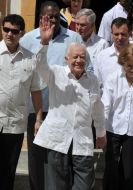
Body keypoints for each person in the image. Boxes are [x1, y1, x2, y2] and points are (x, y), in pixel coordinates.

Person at [20, 1, 90, 190]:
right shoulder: (28, 38)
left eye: (54, 15)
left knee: (61, 162)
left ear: (59, 16)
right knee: (36, 159)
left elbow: (86, 68)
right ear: (40, 17)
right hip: (36, 109)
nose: (50, 19)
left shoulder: (73, 37)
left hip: (63, 110)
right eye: (46, 16)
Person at [33, 15, 106, 190]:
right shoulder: (56, 73)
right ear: (67, 59)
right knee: (56, 186)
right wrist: (44, 43)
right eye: (75, 57)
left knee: (84, 186)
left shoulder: (93, 81)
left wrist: (101, 132)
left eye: (82, 57)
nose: (79, 60)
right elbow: (39, 66)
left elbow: (97, 108)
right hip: (59, 140)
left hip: (83, 142)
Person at [0, 14, 44, 190]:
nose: (9, 34)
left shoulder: (30, 58)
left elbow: (36, 91)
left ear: (22, 33)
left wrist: (39, 119)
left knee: (8, 171)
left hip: (15, 124)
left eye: (14, 31)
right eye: (6, 29)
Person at [102, 43, 133, 190]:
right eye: (129, 65)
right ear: (123, 61)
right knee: (112, 171)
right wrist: (101, 131)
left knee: (131, 172)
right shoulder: (113, 78)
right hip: (113, 129)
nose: (132, 69)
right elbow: (106, 105)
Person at [94, 17, 131, 89]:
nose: (120, 37)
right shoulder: (102, 56)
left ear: (129, 34)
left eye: (123, 34)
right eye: (116, 34)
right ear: (111, 34)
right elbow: (96, 84)